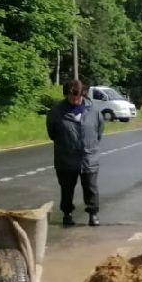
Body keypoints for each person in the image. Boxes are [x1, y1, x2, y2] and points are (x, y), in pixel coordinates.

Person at [46, 79, 102, 227]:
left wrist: (89, 145)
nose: (74, 99)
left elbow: (99, 131)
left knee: (91, 188)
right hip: (65, 159)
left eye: (77, 96)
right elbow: (52, 133)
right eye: (71, 97)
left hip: (88, 157)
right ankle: (67, 214)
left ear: (83, 94)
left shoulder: (93, 110)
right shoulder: (56, 112)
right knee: (66, 189)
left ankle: (93, 214)